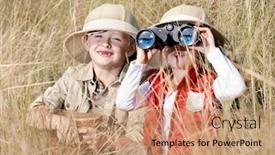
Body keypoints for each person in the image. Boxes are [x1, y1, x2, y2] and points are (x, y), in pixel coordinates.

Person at [116, 4, 246, 154]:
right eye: (170, 42)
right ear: (162, 48)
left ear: (200, 43)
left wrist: (212, 51)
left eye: (187, 37)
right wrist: (140, 63)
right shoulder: (156, 82)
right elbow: (124, 102)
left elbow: (237, 88)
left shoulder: (210, 82)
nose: (177, 47)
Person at [26, 3, 139, 151]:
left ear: (130, 48)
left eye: (116, 39)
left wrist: (110, 143)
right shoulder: (72, 78)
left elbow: (142, 144)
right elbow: (33, 114)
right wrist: (58, 122)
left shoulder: (138, 85)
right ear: (86, 42)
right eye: (98, 36)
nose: (105, 44)